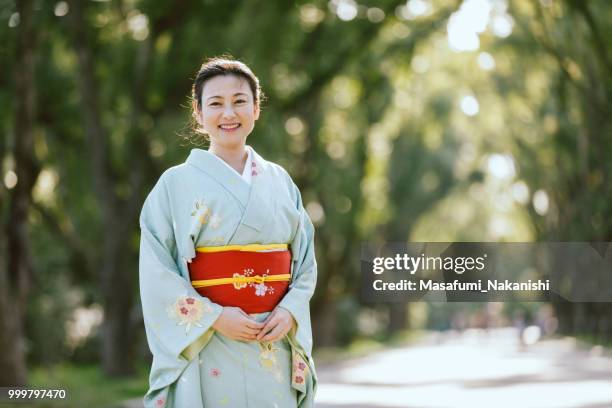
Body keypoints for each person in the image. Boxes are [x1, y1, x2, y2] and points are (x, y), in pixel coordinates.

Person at [139, 57, 317, 407]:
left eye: (239, 101)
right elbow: (156, 271)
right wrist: (214, 317)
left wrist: (290, 311)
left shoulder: (281, 181)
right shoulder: (174, 184)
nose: (228, 113)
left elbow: (306, 260)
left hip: (272, 336)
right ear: (198, 112)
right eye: (216, 103)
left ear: (256, 107)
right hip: (209, 340)